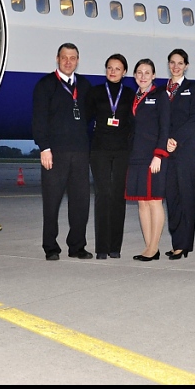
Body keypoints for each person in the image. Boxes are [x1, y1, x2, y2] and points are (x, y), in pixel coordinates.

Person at [32, 43, 93, 261]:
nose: (68, 61)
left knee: (80, 204)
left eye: (73, 58)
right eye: (64, 57)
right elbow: (38, 120)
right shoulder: (46, 85)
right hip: (54, 154)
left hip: (80, 154)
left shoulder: (85, 86)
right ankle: (51, 247)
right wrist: (44, 148)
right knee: (51, 202)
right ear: (57, 59)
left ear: (78, 60)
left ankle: (77, 246)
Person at [86, 53, 134, 259]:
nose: (113, 72)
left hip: (122, 150)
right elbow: (85, 119)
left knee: (117, 196)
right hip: (100, 150)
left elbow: (135, 123)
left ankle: (115, 247)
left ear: (124, 72)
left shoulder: (130, 93)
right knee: (103, 195)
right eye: (109, 68)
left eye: (117, 68)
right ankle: (101, 248)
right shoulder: (96, 92)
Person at [124, 58, 171, 261]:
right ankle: (148, 246)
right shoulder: (133, 98)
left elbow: (165, 127)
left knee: (154, 201)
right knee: (142, 203)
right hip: (135, 156)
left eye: (147, 72)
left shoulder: (160, 96)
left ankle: (154, 247)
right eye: (139, 72)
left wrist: (159, 155)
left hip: (153, 156)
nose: (143, 76)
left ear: (154, 76)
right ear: (134, 76)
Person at [162, 49, 195, 260]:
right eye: (172, 63)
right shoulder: (162, 90)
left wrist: (175, 139)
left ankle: (186, 244)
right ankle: (177, 242)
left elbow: (194, 119)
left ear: (186, 65)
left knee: (186, 197)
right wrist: (164, 141)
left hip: (185, 150)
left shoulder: (193, 89)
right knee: (172, 198)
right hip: (167, 152)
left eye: (180, 63)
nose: (176, 66)